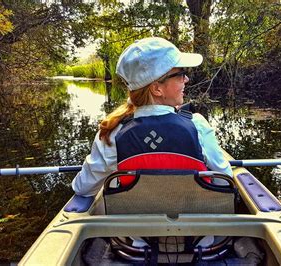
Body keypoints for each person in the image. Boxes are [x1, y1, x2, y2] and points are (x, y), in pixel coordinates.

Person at [72, 37, 232, 197]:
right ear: (157, 89)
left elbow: (83, 189)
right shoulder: (197, 125)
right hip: (192, 219)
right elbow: (225, 182)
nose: (186, 79)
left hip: (136, 221)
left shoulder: (113, 134)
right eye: (180, 74)